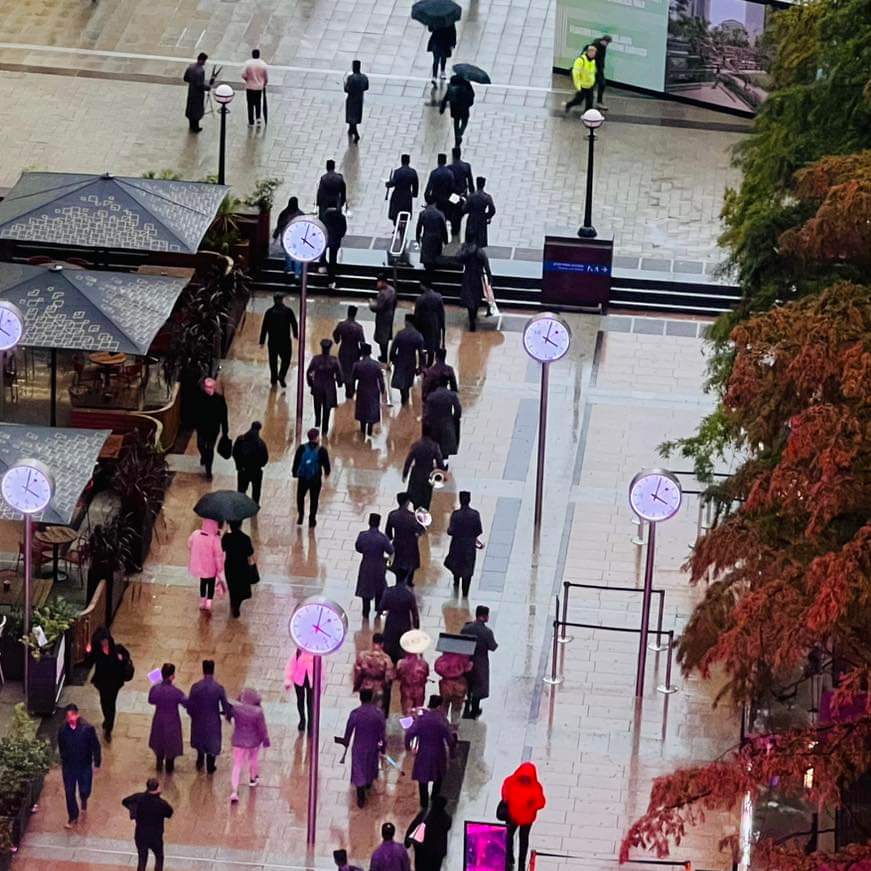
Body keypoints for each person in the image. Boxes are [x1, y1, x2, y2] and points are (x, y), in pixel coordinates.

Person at [405, 695, 456, 809]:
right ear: (439, 706)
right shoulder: (442, 720)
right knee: (438, 776)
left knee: (422, 778)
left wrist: (408, 747)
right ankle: (434, 797)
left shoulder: (421, 719)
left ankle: (424, 802)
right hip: (438, 752)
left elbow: (410, 733)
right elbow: (449, 738)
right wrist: (452, 752)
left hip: (423, 752)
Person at [84, 626, 130, 742]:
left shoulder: (117, 649)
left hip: (114, 682)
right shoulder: (97, 651)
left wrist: (122, 658)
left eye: (105, 640)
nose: (104, 642)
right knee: (104, 702)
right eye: (102, 640)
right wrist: (88, 652)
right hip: (102, 682)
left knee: (111, 703)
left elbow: (126, 657)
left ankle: (109, 727)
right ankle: (107, 720)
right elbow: (88, 663)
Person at [58, 704, 101, 829]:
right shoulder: (62, 730)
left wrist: (97, 762)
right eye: (67, 716)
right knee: (69, 792)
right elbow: (61, 745)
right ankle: (73, 816)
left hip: (84, 765)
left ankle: (84, 799)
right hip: (69, 766)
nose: (70, 718)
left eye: (72, 715)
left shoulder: (87, 729)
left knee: (84, 789)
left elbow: (95, 746)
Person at [341, 689, 386, 808]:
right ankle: (368, 784)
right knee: (370, 766)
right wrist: (383, 748)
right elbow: (382, 733)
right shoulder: (379, 714)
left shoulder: (355, 713)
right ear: (371, 698)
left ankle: (360, 793)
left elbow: (349, 730)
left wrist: (345, 741)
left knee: (359, 768)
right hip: (372, 746)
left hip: (359, 746)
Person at [187, 659, 231, 774]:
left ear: (203, 670)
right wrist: (228, 714)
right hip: (213, 720)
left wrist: (192, 715)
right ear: (213, 670)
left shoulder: (195, 687)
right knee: (212, 742)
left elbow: (190, 705)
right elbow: (225, 705)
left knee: (200, 740)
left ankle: (200, 760)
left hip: (198, 719)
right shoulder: (218, 688)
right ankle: (210, 765)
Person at [501, 762, 547, 871]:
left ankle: (518, 863)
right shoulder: (535, 787)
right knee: (511, 838)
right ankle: (511, 860)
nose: (525, 780)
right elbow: (505, 796)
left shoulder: (511, 782)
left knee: (521, 841)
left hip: (521, 819)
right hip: (518, 818)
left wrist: (531, 805)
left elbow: (541, 803)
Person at [122, 778, 173, 871]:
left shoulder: (138, 798)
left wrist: (133, 811)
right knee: (159, 857)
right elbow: (169, 813)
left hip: (140, 834)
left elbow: (125, 801)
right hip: (156, 836)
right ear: (157, 788)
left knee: (142, 859)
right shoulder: (161, 803)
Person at [229, 688, 270, 802]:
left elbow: (229, 713)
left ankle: (234, 791)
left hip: (238, 741)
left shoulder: (236, 709)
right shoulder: (258, 711)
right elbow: (262, 729)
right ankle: (252, 779)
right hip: (254, 741)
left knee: (237, 765)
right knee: (253, 759)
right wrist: (265, 740)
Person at [148, 663, 188, 773]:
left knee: (159, 743)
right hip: (172, 721)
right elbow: (186, 703)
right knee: (171, 746)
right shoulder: (176, 692)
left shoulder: (155, 689)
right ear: (172, 676)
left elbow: (151, 700)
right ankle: (169, 769)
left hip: (159, 719)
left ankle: (159, 765)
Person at [461, 606, 498, 719]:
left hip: (466, 660)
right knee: (478, 686)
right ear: (485, 616)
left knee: (467, 684)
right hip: (480, 662)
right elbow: (492, 646)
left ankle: (466, 707)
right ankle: (475, 709)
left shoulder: (466, 628)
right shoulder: (487, 632)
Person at [445, 491, 484, 597]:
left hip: (457, 545)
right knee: (468, 567)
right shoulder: (475, 514)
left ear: (460, 500)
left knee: (456, 565)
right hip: (469, 546)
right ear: (469, 500)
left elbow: (450, 531)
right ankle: (465, 592)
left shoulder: (456, 515)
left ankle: (456, 583)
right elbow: (479, 530)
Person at [355, 513, 394, 618]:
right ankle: (378, 609)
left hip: (366, 565)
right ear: (379, 523)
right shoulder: (383, 538)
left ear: (369, 522)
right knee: (379, 588)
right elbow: (390, 550)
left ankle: (365, 611)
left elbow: (358, 548)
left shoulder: (362, 535)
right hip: (379, 566)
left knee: (365, 589)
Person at [386, 491, 427, 588]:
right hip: (411, 544)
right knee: (411, 563)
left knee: (398, 564)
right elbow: (420, 531)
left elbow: (388, 532)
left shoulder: (392, 515)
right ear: (407, 502)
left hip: (398, 543)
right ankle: (409, 581)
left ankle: (398, 582)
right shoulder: (412, 517)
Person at [292, 427, 331, 527]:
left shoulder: (301, 448)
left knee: (300, 497)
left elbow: (296, 461)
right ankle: (312, 519)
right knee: (314, 499)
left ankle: (301, 516)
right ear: (317, 438)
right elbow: (326, 464)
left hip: (303, 478)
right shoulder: (322, 450)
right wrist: (327, 473)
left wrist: (294, 473)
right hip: (315, 479)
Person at [259, 293, 299, 388]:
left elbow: (264, 327)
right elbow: (294, 323)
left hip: (272, 341)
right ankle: (281, 375)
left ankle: (273, 378)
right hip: (285, 341)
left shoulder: (269, 312)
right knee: (286, 359)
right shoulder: (288, 311)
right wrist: (295, 334)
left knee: (273, 361)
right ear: (282, 300)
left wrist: (262, 341)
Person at [380, 571, 421, 664]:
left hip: (391, 623)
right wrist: (416, 625)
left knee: (390, 646)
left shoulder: (389, 592)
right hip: (404, 623)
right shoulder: (409, 595)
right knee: (402, 647)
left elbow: (382, 607)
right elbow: (414, 611)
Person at [405, 794, 452, 871]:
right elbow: (447, 827)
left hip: (422, 849)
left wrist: (407, 841)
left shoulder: (425, 814)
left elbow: (413, 825)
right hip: (436, 853)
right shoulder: (447, 818)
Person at [307, 338, 344, 435]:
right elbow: (339, 373)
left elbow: (309, 372)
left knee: (317, 406)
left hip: (317, 386)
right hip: (329, 387)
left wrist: (311, 383)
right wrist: (340, 383)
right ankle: (325, 428)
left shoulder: (316, 359)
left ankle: (317, 422)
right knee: (327, 409)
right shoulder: (334, 360)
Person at [353, 632, 395, 715]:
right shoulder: (386, 659)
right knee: (377, 712)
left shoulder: (363, 655)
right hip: (379, 689)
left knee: (365, 710)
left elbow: (358, 672)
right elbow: (388, 677)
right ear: (382, 644)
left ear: (372, 642)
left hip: (365, 688)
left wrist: (357, 686)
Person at [402, 431, 446, 511]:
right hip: (428, 474)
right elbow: (440, 462)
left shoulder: (415, 445)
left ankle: (416, 513)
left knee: (415, 497)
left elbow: (408, 461)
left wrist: (405, 474)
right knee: (426, 498)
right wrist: (442, 470)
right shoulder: (434, 446)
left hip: (416, 474)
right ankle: (424, 517)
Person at [188, 518, 225, 612]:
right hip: (211, 568)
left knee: (203, 583)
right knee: (211, 585)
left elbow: (189, 544)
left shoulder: (196, 534)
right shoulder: (215, 538)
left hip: (201, 566)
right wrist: (220, 568)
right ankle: (209, 602)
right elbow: (218, 556)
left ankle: (202, 600)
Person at [194, 377, 228, 480]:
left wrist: (225, 430)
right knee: (200, 445)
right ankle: (204, 456)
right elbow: (194, 410)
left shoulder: (219, 399)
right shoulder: (200, 397)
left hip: (213, 428)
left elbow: (224, 415)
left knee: (210, 448)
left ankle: (209, 471)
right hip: (202, 426)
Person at [222, 519, 256, 618]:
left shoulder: (227, 537)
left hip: (230, 565)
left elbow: (222, 547)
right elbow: (250, 552)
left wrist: (225, 534)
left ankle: (233, 603)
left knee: (232, 586)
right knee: (240, 585)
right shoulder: (245, 538)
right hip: (242, 566)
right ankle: (236, 604)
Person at [390, 314, 426, 406]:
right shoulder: (418, 336)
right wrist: (421, 367)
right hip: (411, 362)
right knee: (407, 382)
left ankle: (404, 399)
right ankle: (405, 400)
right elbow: (421, 354)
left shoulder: (400, 333)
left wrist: (393, 360)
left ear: (407, 322)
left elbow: (393, 349)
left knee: (401, 381)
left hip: (400, 360)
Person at [352, 343, 387, 436]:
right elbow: (381, 379)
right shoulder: (376, 365)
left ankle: (363, 431)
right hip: (373, 390)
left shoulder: (357, 364)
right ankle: (370, 431)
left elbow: (353, 378)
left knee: (362, 410)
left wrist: (352, 391)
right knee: (371, 410)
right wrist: (382, 390)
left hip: (362, 389)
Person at [423, 377, 462, 458]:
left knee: (435, 444)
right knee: (445, 446)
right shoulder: (452, 395)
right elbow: (458, 410)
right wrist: (453, 419)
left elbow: (426, 412)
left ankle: (436, 460)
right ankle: (444, 462)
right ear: (447, 384)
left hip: (434, 424)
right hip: (447, 423)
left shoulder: (431, 396)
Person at [232, 421, 269, 505]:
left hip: (243, 470)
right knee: (256, 491)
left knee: (241, 490)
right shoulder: (261, 443)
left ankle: (240, 506)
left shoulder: (240, 439)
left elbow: (234, 453)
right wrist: (260, 465)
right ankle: (254, 507)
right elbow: (265, 458)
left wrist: (238, 465)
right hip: (256, 471)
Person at [333, 305, 365, 399]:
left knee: (344, 369)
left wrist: (337, 340)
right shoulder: (358, 327)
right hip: (354, 351)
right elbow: (362, 341)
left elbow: (335, 335)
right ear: (355, 314)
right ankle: (351, 388)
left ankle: (346, 387)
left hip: (343, 350)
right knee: (353, 370)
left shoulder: (341, 325)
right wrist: (363, 354)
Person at [458, 242, 492, 330]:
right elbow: (486, 265)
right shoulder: (480, 252)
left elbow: (458, 259)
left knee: (469, 298)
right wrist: (489, 277)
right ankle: (474, 316)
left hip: (468, 276)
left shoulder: (466, 251)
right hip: (478, 277)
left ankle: (471, 319)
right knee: (476, 297)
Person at [396, 632, 430, 714]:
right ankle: (417, 725)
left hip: (406, 690)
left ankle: (407, 726)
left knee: (407, 711)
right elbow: (426, 677)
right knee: (418, 711)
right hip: (419, 690)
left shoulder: (401, 663)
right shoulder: (423, 664)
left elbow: (398, 676)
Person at [434, 651, 472, 722]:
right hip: (459, 685)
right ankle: (454, 726)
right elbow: (469, 668)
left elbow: (437, 668)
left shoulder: (443, 659)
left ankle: (443, 723)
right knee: (456, 708)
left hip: (446, 685)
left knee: (444, 705)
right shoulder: (464, 657)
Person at [273, 196, 304, 281]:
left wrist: (276, 234)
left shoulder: (284, 213)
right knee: (297, 255)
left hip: (286, 237)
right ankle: (297, 273)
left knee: (288, 254)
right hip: (297, 238)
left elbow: (279, 225)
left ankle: (288, 268)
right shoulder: (300, 214)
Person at [414, 285, 446, 368]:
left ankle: (423, 365)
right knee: (432, 345)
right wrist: (442, 326)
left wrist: (415, 327)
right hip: (435, 324)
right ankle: (429, 364)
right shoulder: (438, 297)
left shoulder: (420, 299)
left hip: (423, 325)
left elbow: (417, 314)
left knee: (423, 345)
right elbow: (442, 313)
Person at [285, 648, 316, 733]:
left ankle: (311, 723)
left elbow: (321, 670)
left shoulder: (316, 654)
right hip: (299, 680)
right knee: (300, 701)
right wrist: (288, 680)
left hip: (311, 682)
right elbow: (290, 666)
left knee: (310, 703)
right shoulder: (298, 652)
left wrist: (321, 685)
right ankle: (302, 720)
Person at [439, 74, 475, 146]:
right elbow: (472, 95)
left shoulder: (450, 86)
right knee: (465, 121)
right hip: (464, 107)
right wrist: (470, 104)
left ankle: (456, 136)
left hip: (454, 107)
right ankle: (460, 133)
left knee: (456, 122)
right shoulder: (466, 85)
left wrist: (442, 108)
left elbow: (446, 97)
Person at [370, 273, 398, 362]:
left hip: (382, 318)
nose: (377, 284)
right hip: (390, 315)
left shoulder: (382, 294)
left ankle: (384, 356)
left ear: (383, 282)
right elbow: (395, 303)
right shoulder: (392, 290)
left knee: (382, 338)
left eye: (378, 282)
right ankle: (384, 355)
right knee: (386, 336)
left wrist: (371, 303)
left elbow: (377, 307)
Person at [416, 201, 448, 276]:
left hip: (427, 237)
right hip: (437, 238)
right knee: (435, 258)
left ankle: (427, 277)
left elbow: (418, 228)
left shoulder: (423, 213)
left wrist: (417, 238)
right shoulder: (440, 214)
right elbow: (443, 229)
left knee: (427, 258)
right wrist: (445, 241)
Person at [448, 146, 474, 237]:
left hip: (453, 195)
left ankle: (454, 228)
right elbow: (470, 182)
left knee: (453, 213)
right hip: (463, 194)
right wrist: (472, 194)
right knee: (460, 212)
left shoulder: (449, 168)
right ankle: (457, 228)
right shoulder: (466, 166)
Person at [463, 177, 496, 248]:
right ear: (484, 184)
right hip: (481, 220)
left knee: (470, 239)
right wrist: (486, 216)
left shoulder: (471, 196)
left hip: (472, 219)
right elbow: (492, 210)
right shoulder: (487, 197)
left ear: (476, 184)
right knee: (480, 240)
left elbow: (464, 209)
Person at [386, 155, 419, 226]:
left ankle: (396, 225)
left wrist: (388, 184)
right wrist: (414, 194)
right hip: (407, 194)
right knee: (406, 211)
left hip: (397, 194)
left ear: (401, 161)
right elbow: (415, 185)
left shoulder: (397, 172)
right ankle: (404, 225)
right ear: (409, 161)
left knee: (396, 212)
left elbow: (394, 182)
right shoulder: (413, 172)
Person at [564, 44, 597, 114]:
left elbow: (592, 72)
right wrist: (578, 86)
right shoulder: (580, 60)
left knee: (590, 102)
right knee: (578, 101)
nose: (593, 54)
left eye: (594, 52)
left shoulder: (593, 61)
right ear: (587, 52)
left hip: (590, 86)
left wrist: (593, 82)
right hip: (582, 86)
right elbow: (575, 74)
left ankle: (587, 115)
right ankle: (568, 105)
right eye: (592, 52)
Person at [183, 52, 211, 133]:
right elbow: (200, 85)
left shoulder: (190, 67)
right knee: (197, 109)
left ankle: (191, 125)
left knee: (191, 108)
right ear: (202, 60)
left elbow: (185, 78)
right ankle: (196, 127)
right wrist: (207, 87)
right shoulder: (200, 71)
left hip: (191, 91)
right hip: (198, 94)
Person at [241, 48, 268, 126]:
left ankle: (251, 121)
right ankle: (258, 118)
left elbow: (243, 74)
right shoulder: (263, 64)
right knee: (258, 102)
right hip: (259, 87)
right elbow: (266, 77)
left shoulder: (248, 63)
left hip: (250, 86)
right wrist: (264, 84)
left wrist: (247, 80)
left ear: (252, 54)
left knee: (250, 104)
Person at [322, 204, 348, 288]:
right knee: (333, 258)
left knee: (323, 254)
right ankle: (331, 277)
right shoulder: (341, 217)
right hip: (335, 240)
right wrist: (339, 236)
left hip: (327, 239)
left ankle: (324, 266)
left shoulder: (325, 216)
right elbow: (343, 230)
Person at [344, 59, 369, 143]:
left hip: (351, 99)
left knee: (351, 116)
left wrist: (344, 84)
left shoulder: (350, 78)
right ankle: (351, 129)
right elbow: (366, 87)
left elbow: (347, 89)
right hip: (359, 99)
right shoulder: (364, 77)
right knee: (356, 115)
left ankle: (355, 133)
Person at [424, 154, 454, 221]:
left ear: (438, 161)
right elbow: (452, 189)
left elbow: (428, 190)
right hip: (445, 202)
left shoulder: (434, 173)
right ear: (445, 161)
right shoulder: (450, 173)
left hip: (435, 201)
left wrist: (428, 201)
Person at [585, 34, 612, 109]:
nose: (607, 44)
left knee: (600, 84)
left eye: (608, 43)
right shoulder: (595, 45)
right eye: (606, 42)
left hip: (599, 69)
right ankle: (594, 101)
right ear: (603, 40)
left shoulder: (603, 47)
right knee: (597, 84)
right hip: (594, 69)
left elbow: (602, 58)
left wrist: (602, 67)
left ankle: (598, 101)